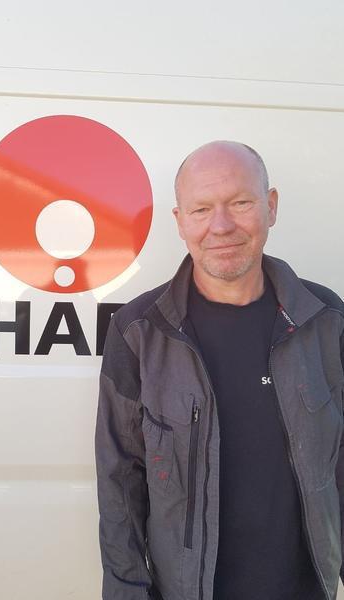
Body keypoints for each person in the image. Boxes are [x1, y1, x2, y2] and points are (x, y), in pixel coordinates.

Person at [94, 141, 344, 600]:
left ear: (271, 206)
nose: (222, 226)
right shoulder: (139, 331)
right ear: (180, 221)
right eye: (202, 209)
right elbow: (118, 487)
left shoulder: (325, 319)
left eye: (241, 203)